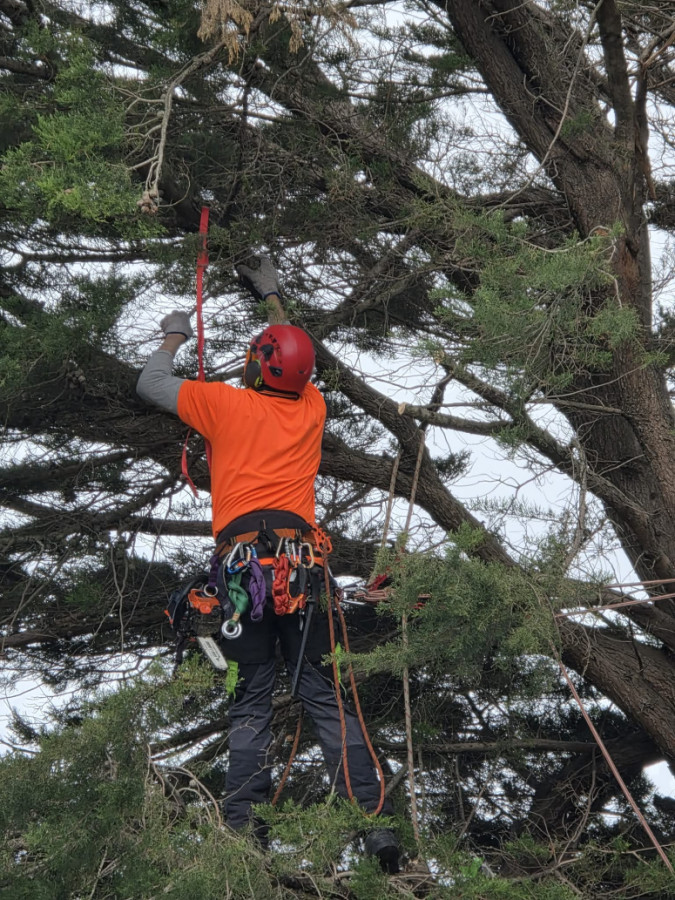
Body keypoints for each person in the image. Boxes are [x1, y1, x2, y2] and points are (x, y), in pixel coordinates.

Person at [136, 256, 400, 872]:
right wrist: (272, 295)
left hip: (242, 579)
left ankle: (242, 837)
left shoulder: (222, 405)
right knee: (326, 699)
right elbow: (297, 356)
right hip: (303, 573)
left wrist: (174, 334)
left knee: (251, 703)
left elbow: (150, 384)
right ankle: (376, 829)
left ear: (257, 365)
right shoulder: (312, 409)